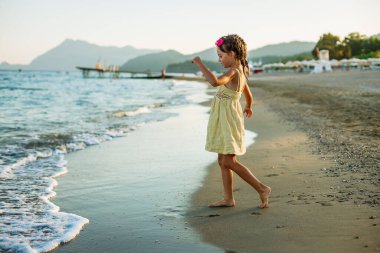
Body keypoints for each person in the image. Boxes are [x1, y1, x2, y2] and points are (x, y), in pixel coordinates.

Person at [192, 34, 271, 208]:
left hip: (228, 121)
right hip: (226, 119)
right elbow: (248, 94)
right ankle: (228, 198)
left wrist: (200, 64)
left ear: (233, 54)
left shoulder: (234, 72)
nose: (219, 60)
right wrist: (248, 106)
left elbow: (214, 82)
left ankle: (262, 188)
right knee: (222, 161)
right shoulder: (240, 72)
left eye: (221, 56)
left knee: (228, 161)